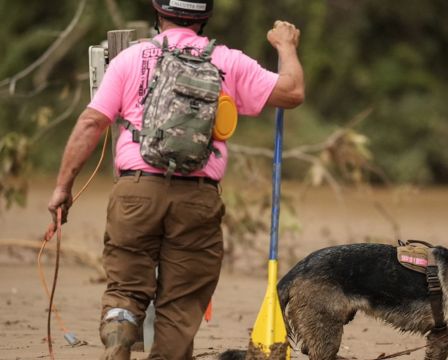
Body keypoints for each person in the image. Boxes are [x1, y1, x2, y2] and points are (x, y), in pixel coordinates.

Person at [46, 0, 304, 358]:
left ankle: (120, 333)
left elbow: (91, 123)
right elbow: (292, 92)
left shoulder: (131, 59)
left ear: (158, 11)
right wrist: (286, 47)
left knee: (126, 287)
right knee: (181, 303)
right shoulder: (227, 60)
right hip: (197, 198)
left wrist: (63, 187)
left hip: (136, 191)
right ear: (205, 17)